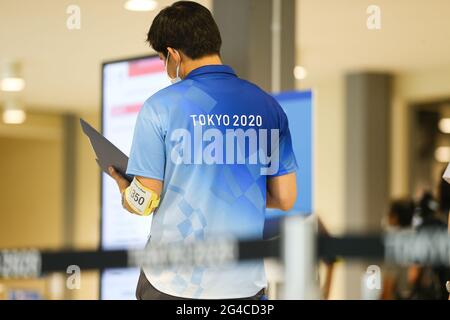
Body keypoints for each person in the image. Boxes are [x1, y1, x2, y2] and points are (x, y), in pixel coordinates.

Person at [109, 1, 297, 300]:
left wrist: (125, 189)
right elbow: (286, 198)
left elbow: (145, 201)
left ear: (173, 54)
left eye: (162, 58)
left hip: (172, 282)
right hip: (243, 285)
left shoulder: (160, 108)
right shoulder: (267, 106)